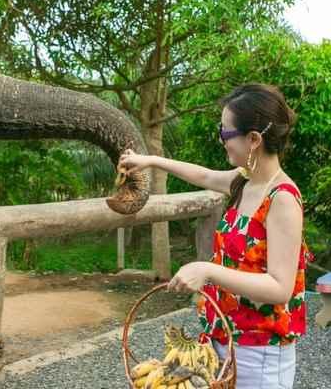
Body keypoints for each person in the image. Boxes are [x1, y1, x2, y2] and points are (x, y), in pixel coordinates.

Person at [119, 83, 309, 389]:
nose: (222, 141)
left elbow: (279, 288)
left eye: (225, 133)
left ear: (254, 139)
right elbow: (204, 175)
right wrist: (150, 161)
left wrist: (207, 271)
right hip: (224, 339)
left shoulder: (282, 199)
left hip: (260, 353)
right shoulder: (244, 181)